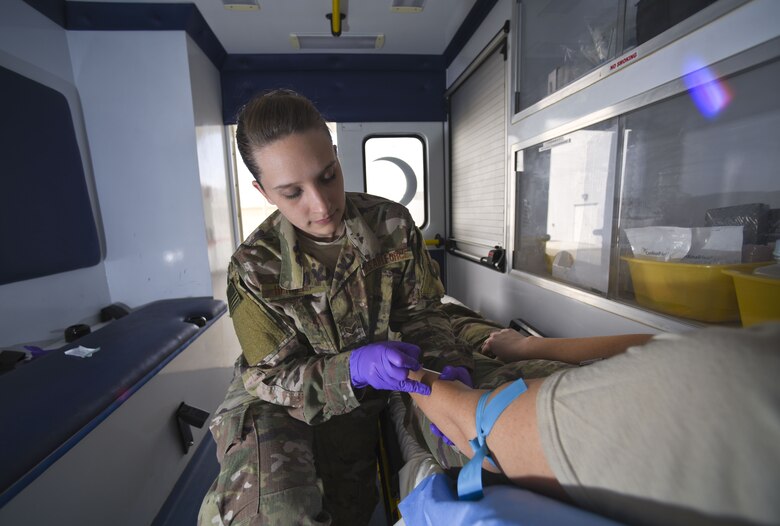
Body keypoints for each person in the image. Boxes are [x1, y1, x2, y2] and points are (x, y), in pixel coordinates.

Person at [198, 89, 478, 526]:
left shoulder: (393, 224)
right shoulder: (253, 268)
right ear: (263, 191)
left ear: (334, 153)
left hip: (384, 379)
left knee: (467, 444)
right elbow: (272, 376)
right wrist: (351, 370)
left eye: (327, 176)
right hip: (285, 398)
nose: (322, 204)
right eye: (292, 192)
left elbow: (422, 315)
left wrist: (446, 366)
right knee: (276, 513)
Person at [402, 322, 780, 526]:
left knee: (456, 328)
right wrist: (529, 346)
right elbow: (665, 345)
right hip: (540, 371)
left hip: (506, 396)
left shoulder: (729, 391)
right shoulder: (743, 377)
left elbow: (470, 421)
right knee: (475, 330)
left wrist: (407, 380)